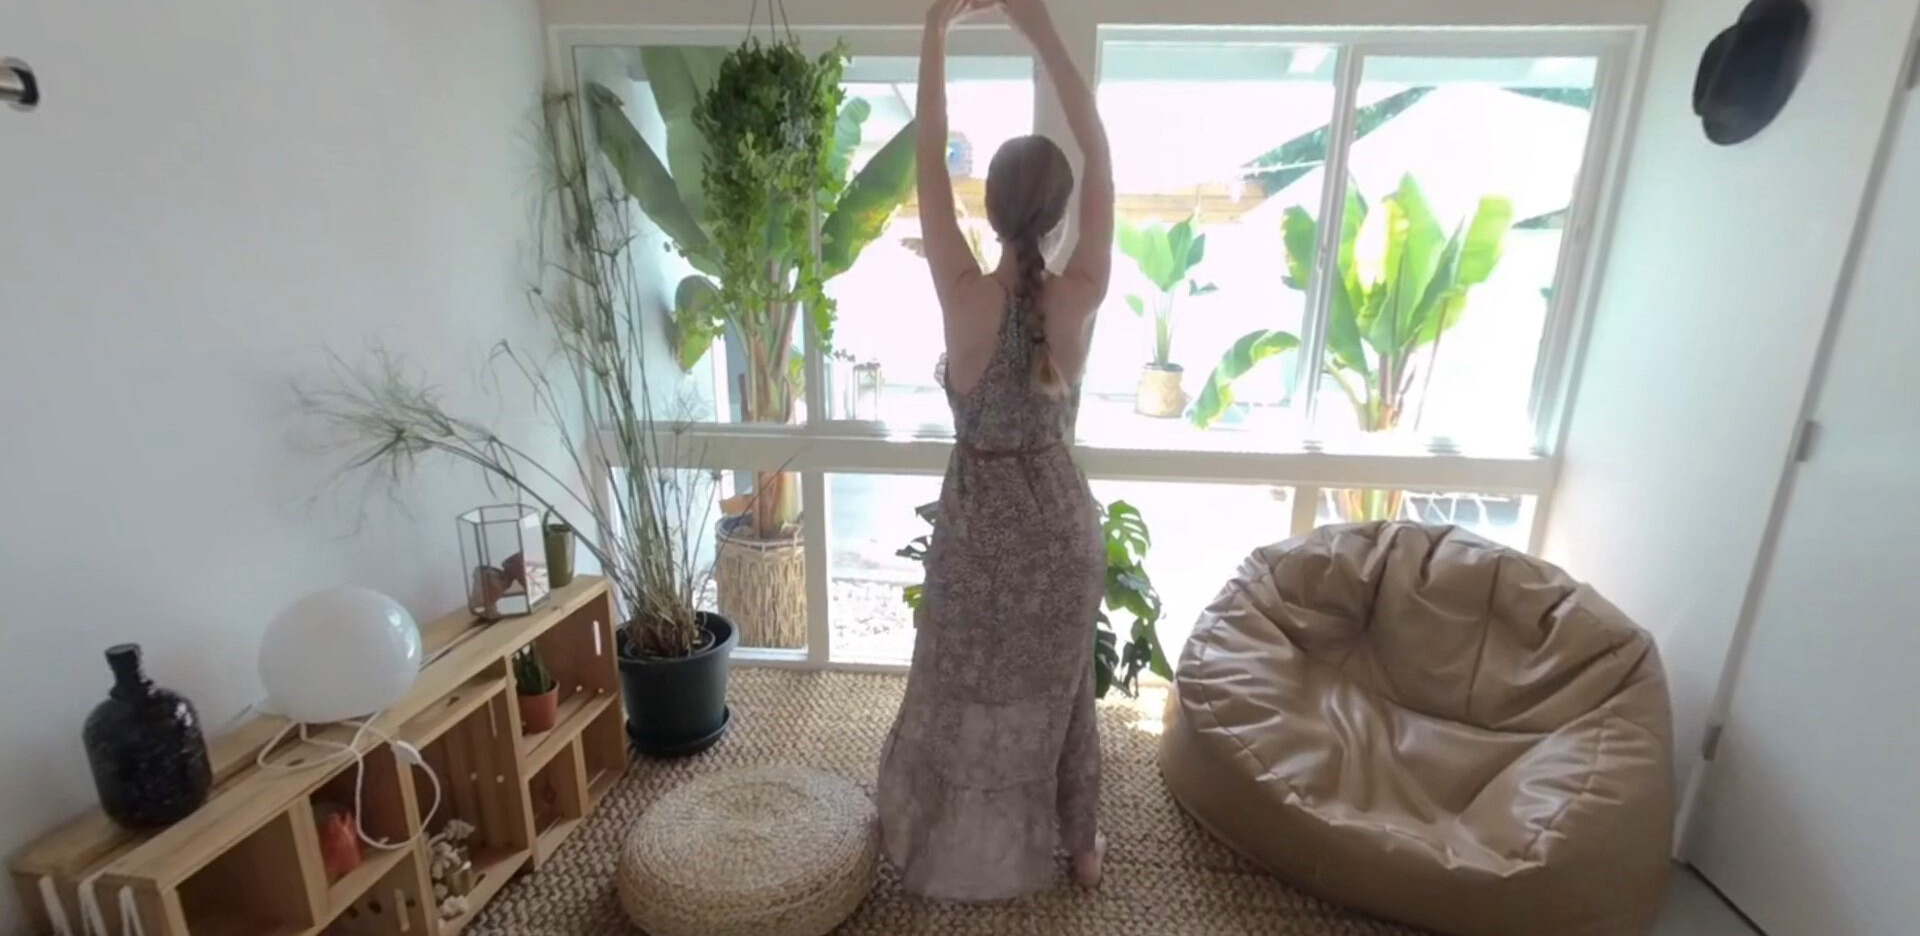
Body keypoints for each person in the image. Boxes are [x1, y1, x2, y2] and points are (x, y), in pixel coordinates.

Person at [875, 0, 1116, 902]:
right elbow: (1103, 160)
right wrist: (1040, 30)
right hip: (1059, 534)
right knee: (1062, 692)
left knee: (956, 687)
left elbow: (926, 157)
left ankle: (935, 838)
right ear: (1058, 215)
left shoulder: (962, 293)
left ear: (990, 206)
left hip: (978, 537)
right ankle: (1079, 849)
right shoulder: (1079, 293)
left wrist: (936, 32)